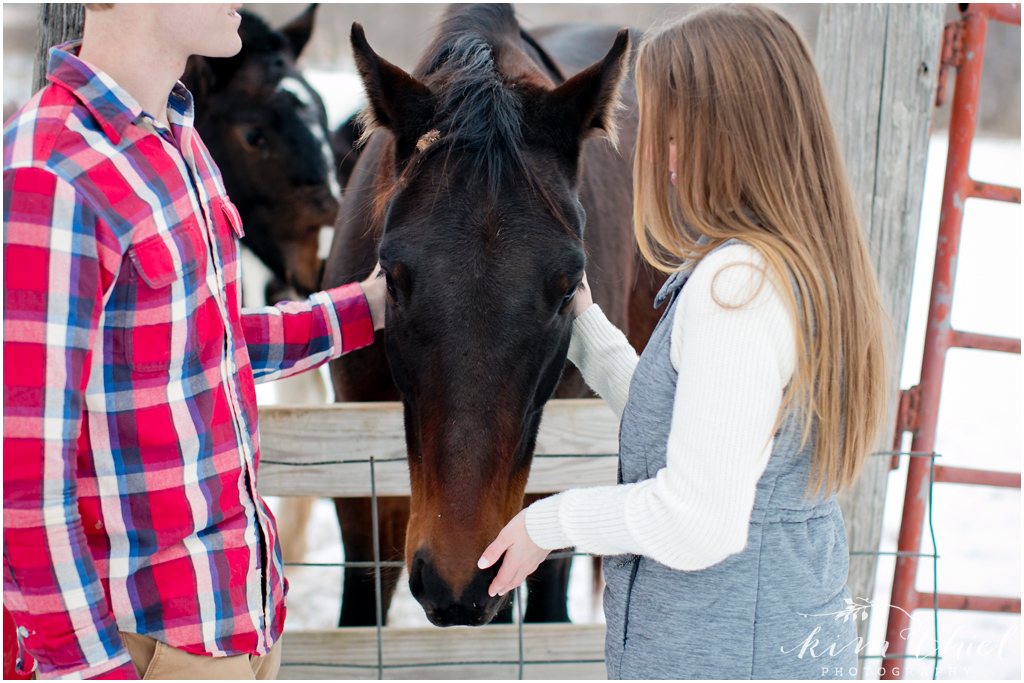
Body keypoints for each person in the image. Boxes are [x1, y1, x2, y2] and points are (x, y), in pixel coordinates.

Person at [479, 5, 891, 679]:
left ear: (727, 139)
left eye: (671, 132)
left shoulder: (737, 287)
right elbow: (698, 422)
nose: (660, 158)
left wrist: (547, 523)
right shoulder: (784, 267)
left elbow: (699, 518)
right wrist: (582, 324)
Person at [3, 4, 385, 679]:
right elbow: (23, 476)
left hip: (236, 625)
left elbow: (202, 344)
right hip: (146, 648)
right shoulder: (52, 171)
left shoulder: (177, 140)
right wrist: (92, 670)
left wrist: (367, 308)